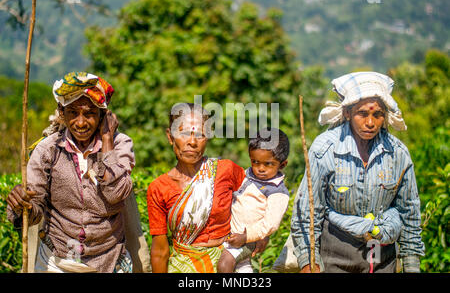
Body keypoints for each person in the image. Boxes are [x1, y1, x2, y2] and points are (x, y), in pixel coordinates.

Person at [6, 72, 150, 273]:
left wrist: (106, 141)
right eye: (73, 113)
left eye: (89, 113)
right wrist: (23, 206)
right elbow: (35, 206)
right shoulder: (48, 149)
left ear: (103, 115)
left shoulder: (119, 144)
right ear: (62, 113)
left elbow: (116, 195)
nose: (80, 123)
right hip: (57, 261)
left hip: (108, 260)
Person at [291, 71, 425, 273]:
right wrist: (308, 260)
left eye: (377, 115)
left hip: (382, 255)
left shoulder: (398, 154)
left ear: (385, 116)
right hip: (336, 252)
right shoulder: (325, 150)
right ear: (347, 113)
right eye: (362, 114)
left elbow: (409, 211)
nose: (370, 123)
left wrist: (411, 264)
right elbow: (308, 210)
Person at [147, 103, 269, 273]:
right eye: (183, 133)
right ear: (170, 136)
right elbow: (160, 250)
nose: (192, 142)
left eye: (200, 135)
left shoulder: (226, 170)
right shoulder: (159, 188)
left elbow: (260, 196)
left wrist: (262, 233)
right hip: (183, 268)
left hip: (228, 263)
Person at [217, 128, 290, 273]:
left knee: (225, 264)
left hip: (248, 239)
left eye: (268, 164)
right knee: (242, 267)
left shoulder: (277, 192)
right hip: (232, 234)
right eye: (255, 162)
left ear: (282, 165)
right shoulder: (247, 174)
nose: (260, 168)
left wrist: (246, 237)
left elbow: (270, 224)